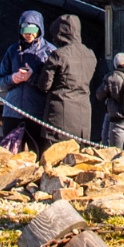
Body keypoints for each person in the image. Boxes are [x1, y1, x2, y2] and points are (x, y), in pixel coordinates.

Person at [0, 11, 56, 151]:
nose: (29, 35)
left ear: (40, 29)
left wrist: (32, 78)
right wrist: (13, 78)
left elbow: (53, 84)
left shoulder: (50, 52)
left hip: (37, 114)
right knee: (9, 157)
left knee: (40, 156)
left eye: (33, 30)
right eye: (25, 31)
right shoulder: (12, 51)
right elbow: (0, 81)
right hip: (12, 113)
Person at [40, 14, 97, 148]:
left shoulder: (58, 55)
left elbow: (44, 85)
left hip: (60, 114)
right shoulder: (90, 54)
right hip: (83, 114)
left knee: (56, 159)